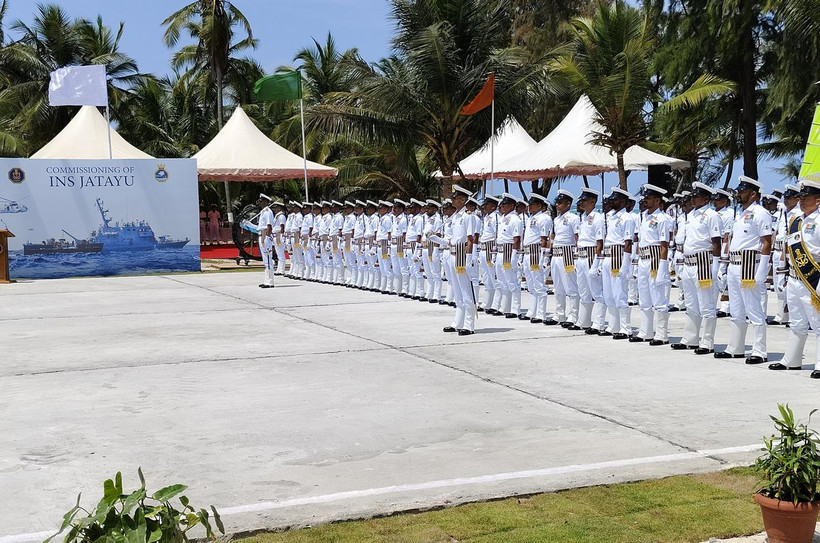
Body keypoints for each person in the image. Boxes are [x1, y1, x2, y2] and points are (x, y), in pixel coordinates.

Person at [714, 176, 773, 364]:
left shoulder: (761, 212)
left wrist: (762, 272)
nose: (738, 193)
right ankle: (735, 347)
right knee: (736, 310)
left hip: (750, 264)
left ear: (753, 193)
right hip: (734, 264)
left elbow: (766, 242)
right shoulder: (739, 213)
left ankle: (759, 350)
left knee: (754, 310)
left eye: (742, 190)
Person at [768, 179, 820, 379]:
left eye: (806, 198)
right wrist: (782, 274)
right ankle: (792, 359)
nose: (801, 201)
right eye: (801, 197)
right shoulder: (796, 221)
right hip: (795, 279)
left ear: (818, 200)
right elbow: (788, 250)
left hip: (813, 279)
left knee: (817, 324)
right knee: (797, 322)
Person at [669, 183, 723, 353]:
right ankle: (690, 338)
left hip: (703, 263)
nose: (692, 198)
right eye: (692, 196)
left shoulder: (711, 215)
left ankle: (707, 341)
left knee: (706, 304)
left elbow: (716, 243)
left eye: (696, 196)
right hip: (689, 263)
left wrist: (715, 268)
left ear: (706, 198)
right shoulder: (691, 215)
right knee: (691, 304)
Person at [432, 185, 478, 335]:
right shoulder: (455, 217)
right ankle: (457, 322)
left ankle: (469, 325)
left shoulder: (468, 216)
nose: (453, 200)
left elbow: (470, 239)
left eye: (456, 198)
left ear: (463, 200)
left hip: (461, 255)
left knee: (465, 290)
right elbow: (449, 240)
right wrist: (435, 238)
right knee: (457, 291)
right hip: (452, 254)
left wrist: (469, 257)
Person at [631, 184, 672, 344]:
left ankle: (662, 334)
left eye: (648, 198)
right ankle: (645, 331)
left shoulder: (662, 219)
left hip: (655, 259)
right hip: (644, 258)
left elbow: (664, 245)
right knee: (644, 296)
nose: (645, 201)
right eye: (644, 198)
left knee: (658, 297)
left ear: (657, 200)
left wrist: (662, 267)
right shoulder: (644, 217)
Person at [601, 188, 636, 339]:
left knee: (619, 293)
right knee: (608, 294)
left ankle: (625, 327)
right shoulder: (611, 217)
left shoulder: (627, 218)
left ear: (622, 202)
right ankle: (613, 325)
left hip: (618, 255)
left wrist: (625, 264)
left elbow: (628, 243)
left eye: (614, 200)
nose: (611, 202)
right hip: (608, 255)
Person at [575, 188, 607, 334]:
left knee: (596, 291)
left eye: (584, 201)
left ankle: (598, 323)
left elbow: (599, 242)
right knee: (583, 290)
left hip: (591, 254)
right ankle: (584, 320)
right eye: (581, 200)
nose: (581, 203)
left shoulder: (598, 217)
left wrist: (596, 264)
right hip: (581, 255)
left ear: (593, 202)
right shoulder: (583, 217)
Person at [548, 189, 580, 328]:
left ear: (568, 204)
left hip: (568, 253)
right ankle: (559, 313)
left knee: (571, 286)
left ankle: (573, 315)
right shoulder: (556, 219)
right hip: (556, 253)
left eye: (560, 203)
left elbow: (577, 237)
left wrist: (577, 257)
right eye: (556, 202)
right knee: (558, 286)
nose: (557, 205)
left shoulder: (573, 218)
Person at [769, 185, 800, 325]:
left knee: (790, 285)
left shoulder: (798, 213)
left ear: (796, 199)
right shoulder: (782, 212)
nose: (786, 200)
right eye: (785, 198)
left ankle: (792, 316)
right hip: (777, 250)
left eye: (789, 197)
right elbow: (775, 233)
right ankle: (781, 315)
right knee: (778, 284)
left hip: (789, 252)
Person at [491, 193, 523, 318]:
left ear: (511, 206)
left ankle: (516, 309)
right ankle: (504, 307)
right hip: (500, 251)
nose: (501, 207)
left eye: (504, 204)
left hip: (509, 251)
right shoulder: (502, 219)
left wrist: (514, 255)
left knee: (511, 281)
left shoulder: (515, 219)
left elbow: (516, 239)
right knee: (501, 281)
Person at [520, 193, 551, 323]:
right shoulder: (530, 218)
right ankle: (532, 311)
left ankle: (541, 313)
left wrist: (543, 258)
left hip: (536, 252)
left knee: (538, 283)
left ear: (539, 205)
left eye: (532, 204)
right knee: (530, 284)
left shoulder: (544, 218)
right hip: (527, 252)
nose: (529, 207)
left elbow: (544, 239)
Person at [711, 188, 734, 318]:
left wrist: (725, 254)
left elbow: (727, 235)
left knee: (723, 276)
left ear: (725, 201)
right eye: (714, 200)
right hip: (713, 245)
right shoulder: (714, 213)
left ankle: (726, 306)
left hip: (722, 244)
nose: (715, 202)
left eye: (718, 200)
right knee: (716, 277)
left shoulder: (728, 214)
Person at [477, 196, 500, 312]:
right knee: (486, 277)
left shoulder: (495, 217)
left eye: (486, 205)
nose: (484, 207)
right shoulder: (486, 217)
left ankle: (496, 304)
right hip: (483, 248)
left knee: (493, 277)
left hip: (491, 248)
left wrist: (495, 253)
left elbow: (497, 235)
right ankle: (487, 303)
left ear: (493, 206)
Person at [422, 200, 444, 302]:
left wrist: (436, 249)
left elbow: (438, 235)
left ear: (435, 209)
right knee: (428, 272)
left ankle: (437, 295)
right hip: (425, 246)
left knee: (435, 272)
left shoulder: (437, 219)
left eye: (429, 208)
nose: (427, 210)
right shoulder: (427, 219)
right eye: (426, 208)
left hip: (432, 247)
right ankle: (429, 293)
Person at [407, 199, 427, 299]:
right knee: (412, 269)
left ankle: (420, 292)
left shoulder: (419, 219)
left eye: (412, 208)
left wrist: (417, 251)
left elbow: (419, 235)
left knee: (417, 269)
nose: (410, 209)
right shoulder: (412, 218)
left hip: (415, 244)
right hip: (409, 244)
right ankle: (412, 291)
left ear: (417, 209)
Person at [390, 200, 409, 295]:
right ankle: (398, 288)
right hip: (393, 244)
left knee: (403, 267)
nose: (394, 210)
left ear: (401, 209)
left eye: (396, 208)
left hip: (400, 243)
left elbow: (404, 234)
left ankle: (405, 289)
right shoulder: (394, 218)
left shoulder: (404, 219)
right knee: (395, 267)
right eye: (394, 208)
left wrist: (404, 247)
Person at [256, 194, 275, 288]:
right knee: (265, 259)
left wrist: (267, 237)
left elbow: (269, 226)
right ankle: (266, 280)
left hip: (265, 236)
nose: (260, 202)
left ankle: (270, 281)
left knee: (268, 258)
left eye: (262, 201)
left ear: (266, 202)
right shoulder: (263, 211)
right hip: (261, 234)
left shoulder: (268, 212)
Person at [376, 201, 394, 294]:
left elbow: (389, 233)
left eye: (381, 208)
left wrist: (389, 246)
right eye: (379, 208)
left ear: (386, 209)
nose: (380, 210)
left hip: (384, 244)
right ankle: (384, 286)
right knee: (382, 267)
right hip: (379, 244)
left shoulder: (387, 219)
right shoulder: (382, 218)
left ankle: (389, 287)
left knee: (387, 267)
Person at [342, 201, 358, 286]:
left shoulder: (352, 217)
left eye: (347, 208)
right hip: (345, 239)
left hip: (349, 239)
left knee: (351, 261)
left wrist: (351, 241)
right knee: (347, 261)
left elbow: (353, 230)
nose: (346, 210)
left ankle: (354, 279)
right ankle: (349, 278)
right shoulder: (347, 217)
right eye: (345, 209)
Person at [272, 202, 287, 275]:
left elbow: (282, 227)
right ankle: (279, 269)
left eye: (275, 208)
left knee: (281, 253)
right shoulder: (277, 216)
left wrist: (282, 237)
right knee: (278, 253)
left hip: (279, 236)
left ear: (279, 208)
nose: (274, 209)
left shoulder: (281, 216)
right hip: (275, 235)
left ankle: (282, 269)